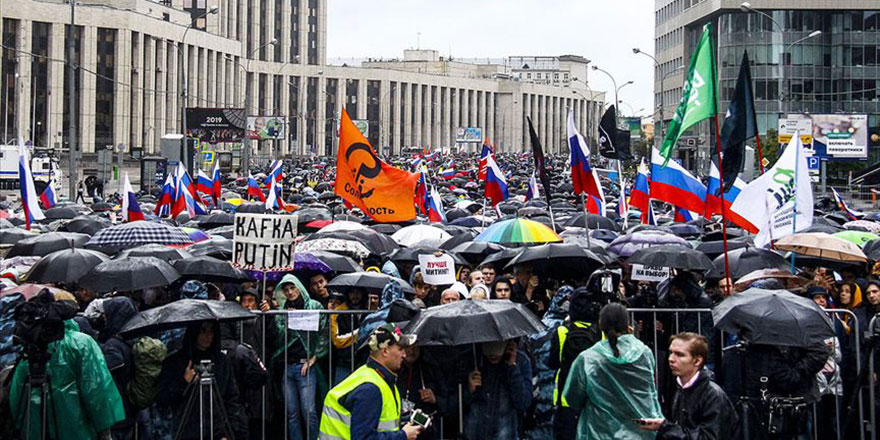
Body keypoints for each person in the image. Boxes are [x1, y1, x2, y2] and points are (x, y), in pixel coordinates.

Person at [9, 291, 126, 440]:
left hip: (34, 430)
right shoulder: (81, 344)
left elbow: (16, 394)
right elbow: (96, 390)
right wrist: (105, 431)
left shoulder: (29, 344)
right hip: (76, 430)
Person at [562, 303, 663, 439]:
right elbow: (651, 390)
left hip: (599, 433)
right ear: (628, 324)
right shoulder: (644, 352)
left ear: (600, 324)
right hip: (642, 432)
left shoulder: (587, 358)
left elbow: (572, 398)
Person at [319, 323, 423, 440]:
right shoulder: (371, 388)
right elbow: (363, 438)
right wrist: (403, 435)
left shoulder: (374, 375)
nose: (404, 354)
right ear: (385, 351)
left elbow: (381, 421)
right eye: (400, 349)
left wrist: (406, 419)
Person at [156, 320, 248, 440]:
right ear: (194, 332)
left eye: (211, 331)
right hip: (186, 431)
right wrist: (184, 382)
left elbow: (232, 398)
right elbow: (162, 399)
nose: (208, 336)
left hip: (218, 431)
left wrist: (230, 432)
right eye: (203, 331)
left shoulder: (222, 361)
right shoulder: (175, 362)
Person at [638, 332, 737, 440]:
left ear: (697, 361)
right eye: (671, 352)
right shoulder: (679, 387)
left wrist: (666, 427)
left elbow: (709, 437)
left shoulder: (713, 395)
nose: (671, 359)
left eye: (679, 354)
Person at [270, 274, 327, 440]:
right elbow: (279, 338)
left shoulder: (315, 306)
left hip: (306, 367)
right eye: (286, 290)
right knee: (292, 413)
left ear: (299, 288)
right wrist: (287, 322)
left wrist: (314, 358)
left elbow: (324, 334)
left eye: (292, 288)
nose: (289, 292)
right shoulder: (282, 311)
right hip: (288, 366)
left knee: (309, 411)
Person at [549, 287, 601, 440]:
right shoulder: (601, 333)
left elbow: (553, 363)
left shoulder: (561, 332)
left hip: (566, 397)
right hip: (594, 398)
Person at [464, 340, 533, 439]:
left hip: (504, 432)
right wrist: (469, 389)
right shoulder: (473, 358)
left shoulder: (521, 361)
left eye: (497, 353)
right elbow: (456, 404)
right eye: (489, 353)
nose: (492, 356)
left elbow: (523, 402)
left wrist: (512, 368)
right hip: (474, 432)